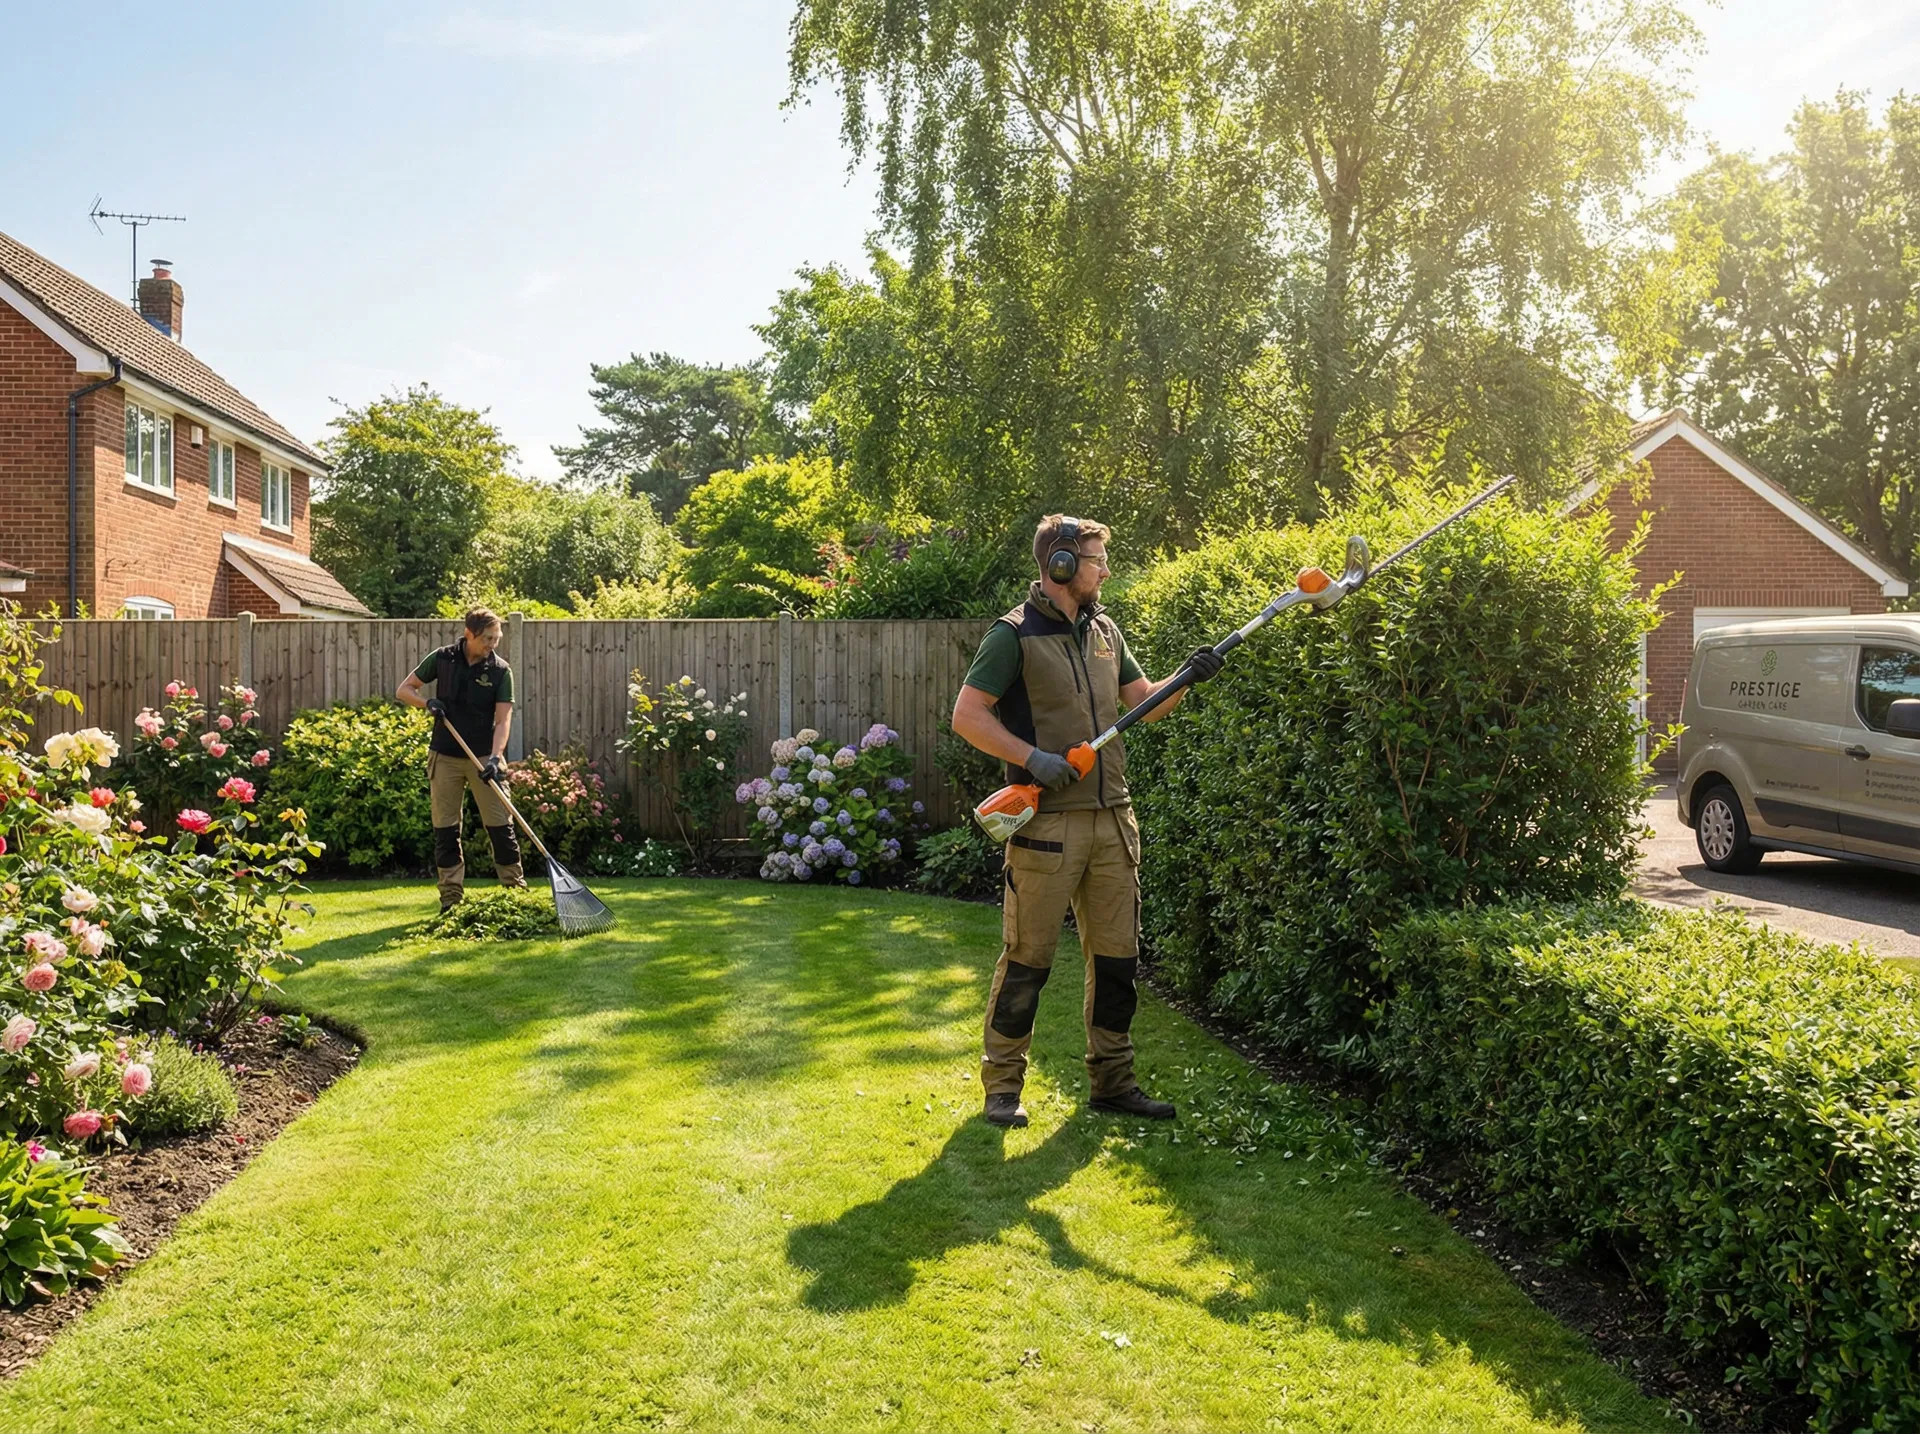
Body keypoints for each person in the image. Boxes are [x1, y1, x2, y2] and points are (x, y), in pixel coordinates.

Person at [951, 515, 1224, 1128]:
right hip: (1046, 829)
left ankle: (1113, 1082)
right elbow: (967, 717)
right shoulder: (1011, 637)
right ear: (1062, 565)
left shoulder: (1105, 630)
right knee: (1027, 960)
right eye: (1097, 560)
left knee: (1119, 962)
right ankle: (1002, 1089)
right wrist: (1032, 758)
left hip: (1113, 820)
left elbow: (1143, 706)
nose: (1106, 570)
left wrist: (1187, 679)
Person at [394, 608, 525, 911]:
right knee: (446, 830)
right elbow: (403, 690)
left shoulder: (500, 670)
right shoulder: (442, 658)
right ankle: (450, 900)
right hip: (444, 755)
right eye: (488, 639)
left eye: (497, 638)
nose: (493, 644)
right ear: (469, 633)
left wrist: (495, 758)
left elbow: (504, 720)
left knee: (500, 826)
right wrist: (428, 702)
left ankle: (515, 894)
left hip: (484, 758)